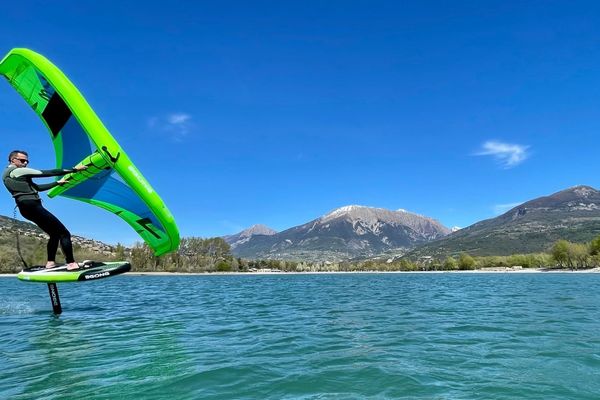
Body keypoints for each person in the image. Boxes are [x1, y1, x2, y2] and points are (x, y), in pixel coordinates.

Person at [2, 150, 87, 270]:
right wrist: (74, 169)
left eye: (27, 160)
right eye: (22, 160)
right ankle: (71, 263)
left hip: (24, 208)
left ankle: (50, 263)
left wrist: (57, 183)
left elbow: (37, 188)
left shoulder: (7, 175)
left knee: (54, 234)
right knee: (64, 233)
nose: (25, 162)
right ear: (13, 160)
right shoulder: (17, 171)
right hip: (33, 205)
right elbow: (46, 172)